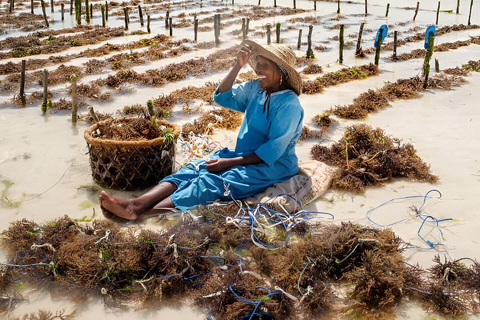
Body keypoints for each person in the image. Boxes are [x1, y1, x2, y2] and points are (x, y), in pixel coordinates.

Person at [99, 39, 304, 221]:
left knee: (211, 182)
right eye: (257, 65)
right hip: (242, 156)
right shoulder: (256, 88)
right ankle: (138, 203)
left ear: (281, 73)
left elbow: (273, 150)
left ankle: (139, 212)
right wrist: (236, 66)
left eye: (265, 66)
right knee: (194, 169)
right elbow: (222, 97)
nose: (258, 70)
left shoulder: (289, 104)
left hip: (273, 165)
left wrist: (228, 163)